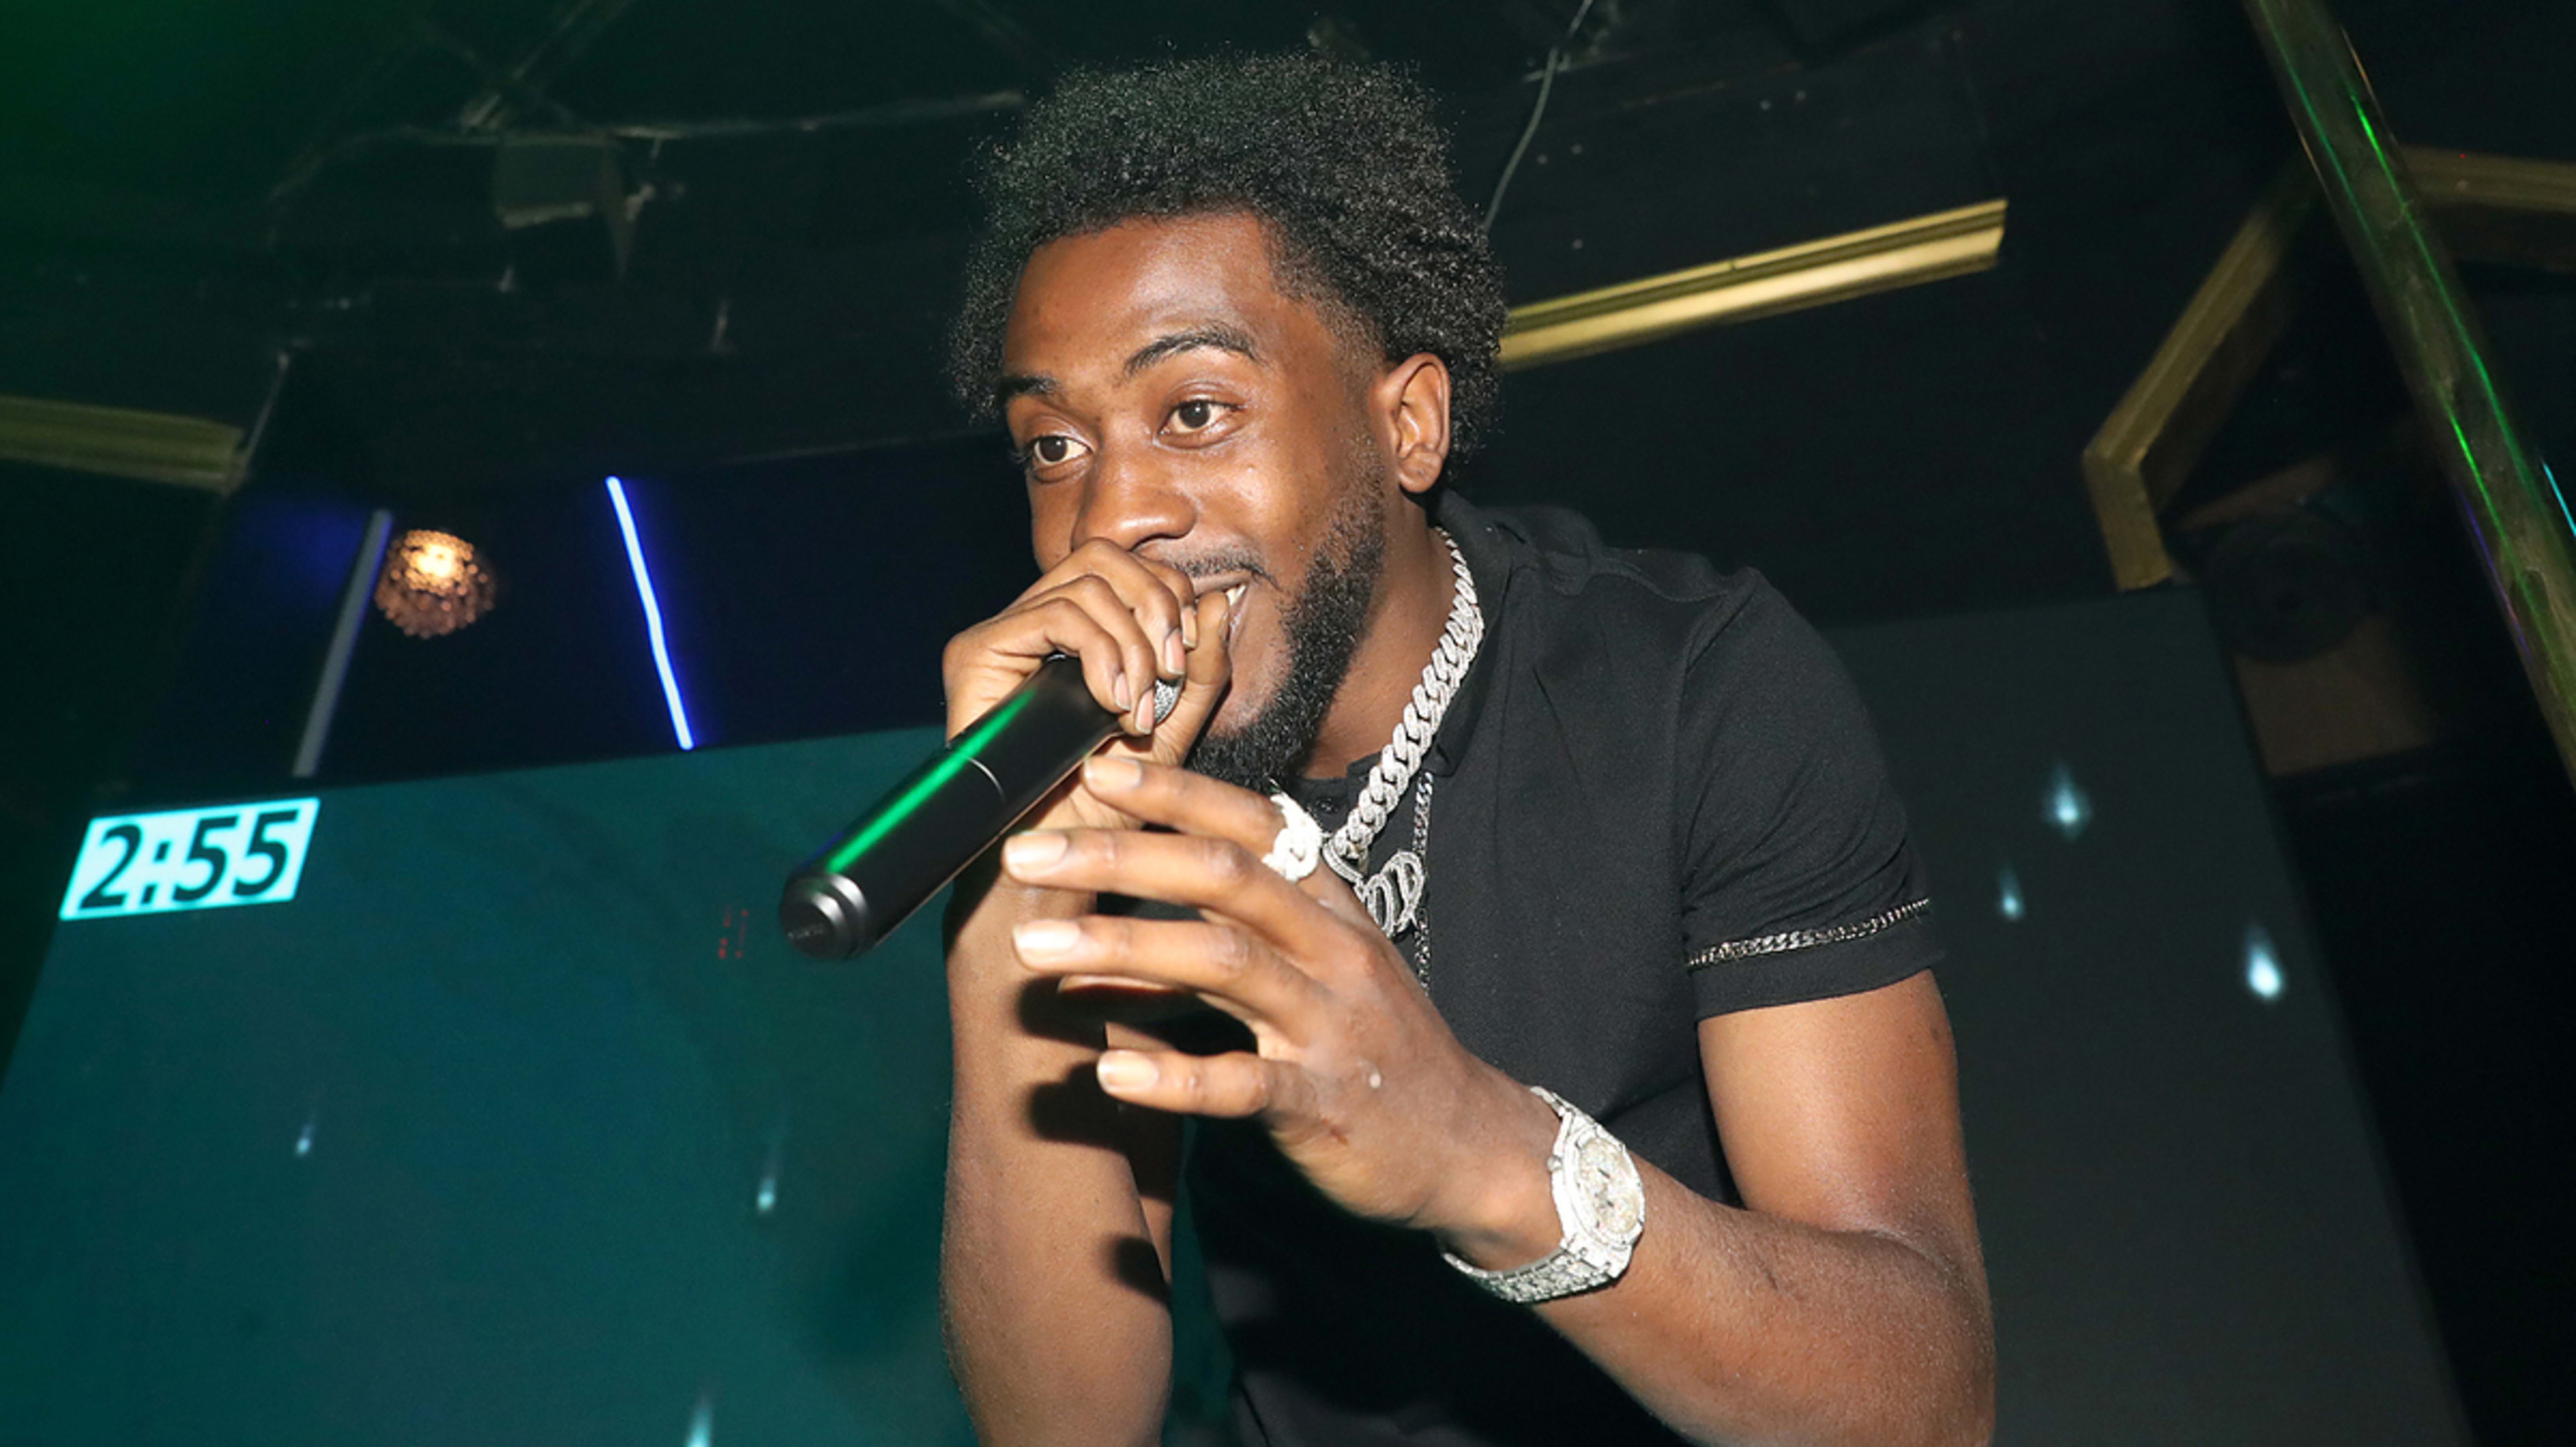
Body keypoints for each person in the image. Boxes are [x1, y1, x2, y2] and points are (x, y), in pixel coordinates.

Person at [933, 53, 1992, 1447]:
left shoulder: (1689, 686)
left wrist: (1481, 1153)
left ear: (1408, 421)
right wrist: (1013, 894)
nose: (1113, 512)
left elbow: (1927, 1401)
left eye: (1195, 411)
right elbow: (1064, 1429)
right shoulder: (1115, 804)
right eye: (1054, 445)